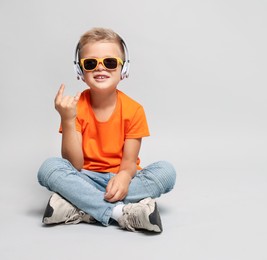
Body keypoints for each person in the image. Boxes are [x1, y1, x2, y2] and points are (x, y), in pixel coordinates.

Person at [37, 27, 176, 233]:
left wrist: (124, 177)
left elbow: (129, 163)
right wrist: (67, 119)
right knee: (49, 168)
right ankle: (120, 213)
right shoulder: (76, 108)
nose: (100, 68)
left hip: (122, 178)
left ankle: (80, 206)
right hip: (85, 176)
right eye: (91, 63)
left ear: (124, 69)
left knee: (166, 172)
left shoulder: (134, 110)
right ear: (80, 71)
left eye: (110, 63)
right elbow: (74, 164)